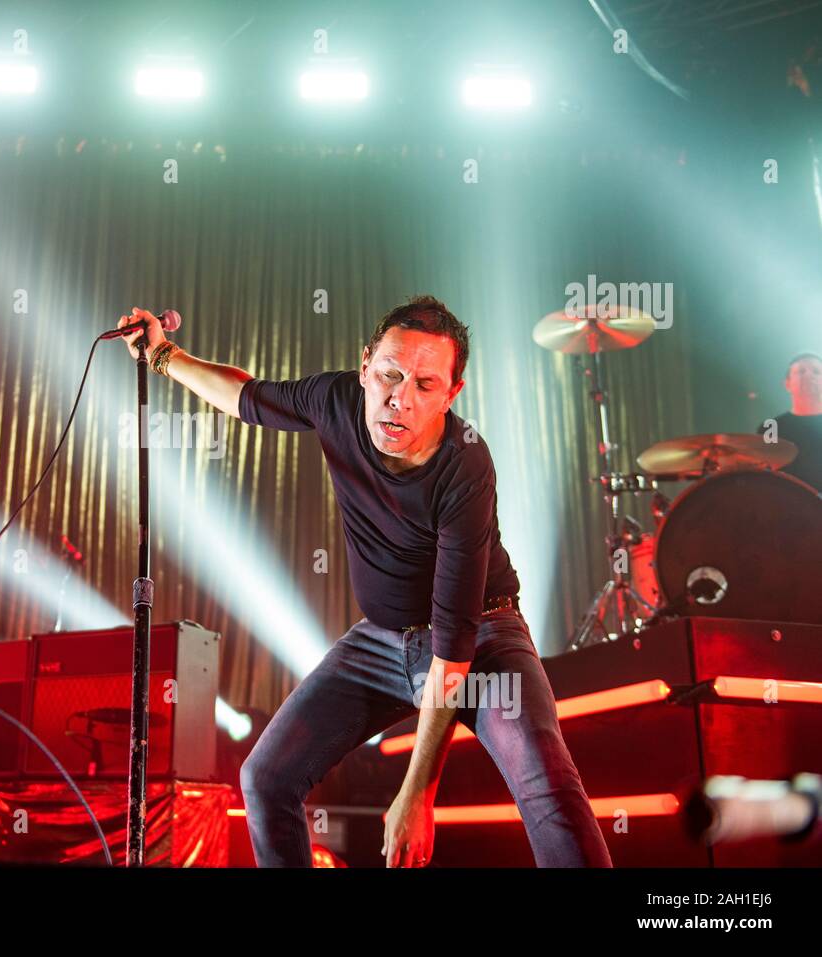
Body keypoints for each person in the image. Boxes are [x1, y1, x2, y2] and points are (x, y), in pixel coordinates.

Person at [116, 296, 611, 868]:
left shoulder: (466, 464)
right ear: (364, 367)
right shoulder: (335, 401)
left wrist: (416, 794)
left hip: (480, 641)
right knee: (265, 777)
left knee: (545, 779)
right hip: (381, 641)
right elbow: (245, 397)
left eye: (426, 385)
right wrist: (162, 355)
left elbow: (453, 641)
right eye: (390, 375)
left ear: (453, 393)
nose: (399, 398)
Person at [763, 352, 822, 492]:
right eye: (801, 371)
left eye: (816, 371)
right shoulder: (772, 427)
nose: (809, 375)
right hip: (786, 507)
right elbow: (765, 476)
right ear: (787, 384)